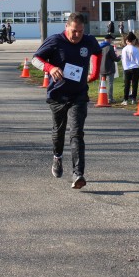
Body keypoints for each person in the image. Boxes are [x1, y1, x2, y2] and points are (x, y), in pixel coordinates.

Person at [32, 13, 101, 190]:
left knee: (77, 133)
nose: (77, 35)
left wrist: (95, 72)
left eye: (80, 31)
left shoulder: (88, 41)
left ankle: (78, 174)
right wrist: (50, 68)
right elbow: (35, 59)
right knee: (59, 131)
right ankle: (57, 156)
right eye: (74, 31)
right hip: (58, 95)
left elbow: (98, 52)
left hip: (79, 95)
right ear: (66, 27)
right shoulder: (55, 41)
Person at [120, 32, 139, 105]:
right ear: (133, 40)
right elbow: (138, 62)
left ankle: (125, 99)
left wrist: (125, 68)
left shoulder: (124, 49)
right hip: (135, 68)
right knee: (134, 84)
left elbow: (123, 60)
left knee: (127, 85)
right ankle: (133, 99)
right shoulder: (135, 49)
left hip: (127, 69)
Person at [98, 34, 118, 104]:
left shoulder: (99, 46)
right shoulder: (110, 47)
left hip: (101, 67)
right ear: (109, 39)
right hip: (109, 68)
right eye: (111, 39)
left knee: (101, 83)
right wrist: (119, 57)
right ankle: (110, 98)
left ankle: (100, 97)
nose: (112, 41)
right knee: (110, 84)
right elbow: (115, 58)